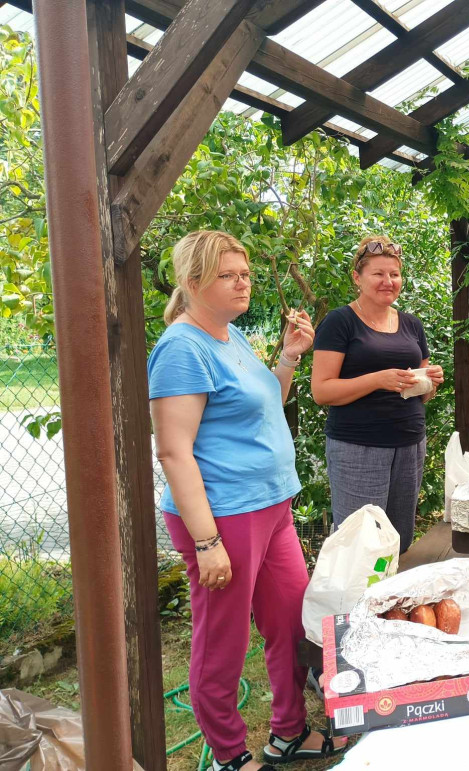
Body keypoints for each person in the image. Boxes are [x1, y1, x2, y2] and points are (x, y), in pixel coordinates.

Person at [149, 230, 344, 771]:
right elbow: (173, 452)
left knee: (291, 622)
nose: (243, 284)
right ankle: (229, 755)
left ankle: (288, 733)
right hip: (225, 516)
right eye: (228, 276)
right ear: (192, 283)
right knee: (224, 642)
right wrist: (207, 541)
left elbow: (262, 405)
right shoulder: (182, 349)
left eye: (246, 275)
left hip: (271, 506)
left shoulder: (228, 334)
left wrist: (287, 359)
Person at [311, 235, 443, 553]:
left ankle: (394, 589)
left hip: (410, 444)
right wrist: (377, 380)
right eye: (378, 274)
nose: (388, 281)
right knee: (361, 545)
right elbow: (321, 391)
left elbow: (420, 395)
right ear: (357, 278)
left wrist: (429, 383)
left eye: (394, 274)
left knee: (399, 540)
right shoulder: (340, 322)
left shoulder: (412, 325)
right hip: (358, 447)